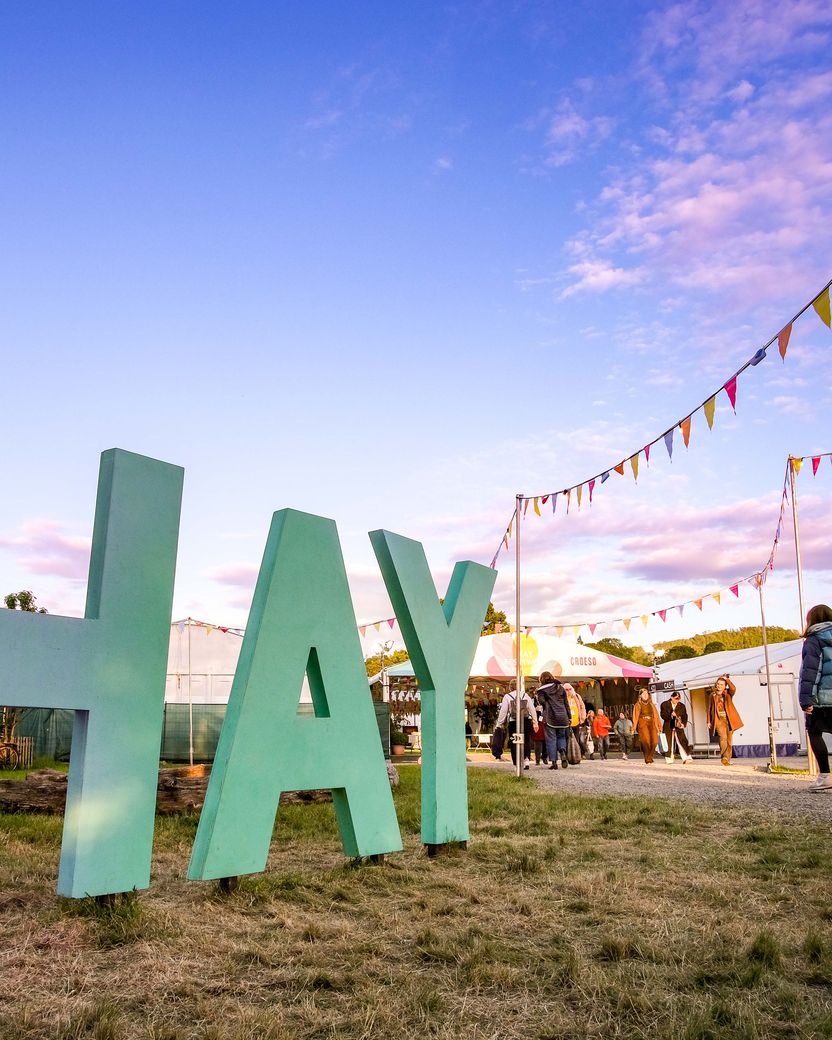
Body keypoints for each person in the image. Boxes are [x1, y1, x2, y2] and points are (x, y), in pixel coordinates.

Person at [798, 603, 832, 792]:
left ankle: (825, 776)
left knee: (815, 733)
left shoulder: (814, 640)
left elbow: (811, 671)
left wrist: (805, 699)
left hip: (821, 699)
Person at [495, 686, 538, 769]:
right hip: (526, 720)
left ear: (510, 687)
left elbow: (503, 711)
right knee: (526, 740)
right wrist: (535, 722)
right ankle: (526, 760)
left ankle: (516, 763)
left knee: (514, 741)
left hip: (513, 721)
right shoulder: (525, 695)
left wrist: (499, 724)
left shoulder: (507, 696)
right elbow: (532, 709)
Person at [536, 671, 572, 769]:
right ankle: (562, 751)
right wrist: (569, 717)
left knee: (551, 739)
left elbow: (542, 702)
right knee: (561, 737)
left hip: (550, 717)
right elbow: (566, 703)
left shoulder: (541, 690)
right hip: (563, 717)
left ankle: (554, 762)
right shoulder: (560, 688)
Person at [707, 674, 743, 766]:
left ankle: (727, 759)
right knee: (723, 738)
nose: (719, 686)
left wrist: (727, 679)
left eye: (721, 684)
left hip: (729, 720)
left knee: (729, 741)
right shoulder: (712, 695)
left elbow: (733, 688)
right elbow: (709, 709)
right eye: (718, 684)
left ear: (725, 686)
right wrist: (709, 721)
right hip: (719, 720)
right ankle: (724, 757)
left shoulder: (728, 693)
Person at [660, 692, 693, 763]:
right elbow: (662, 715)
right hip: (668, 725)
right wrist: (670, 715)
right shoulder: (664, 704)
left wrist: (684, 724)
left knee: (682, 740)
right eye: (676, 699)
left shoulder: (681, 706)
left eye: (678, 699)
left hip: (678, 725)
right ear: (672, 697)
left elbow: (685, 715)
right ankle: (669, 758)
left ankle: (687, 757)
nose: (677, 701)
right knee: (669, 741)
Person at [632, 687, 661, 764]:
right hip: (642, 723)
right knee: (646, 742)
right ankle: (648, 759)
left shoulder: (651, 705)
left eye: (646, 693)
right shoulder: (638, 705)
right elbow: (635, 717)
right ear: (640, 696)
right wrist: (633, 727)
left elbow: (656, 716)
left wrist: (659, 726)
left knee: (655, 741)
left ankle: (650, 756)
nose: (645, 695)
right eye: (643, 694)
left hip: (652, 723)